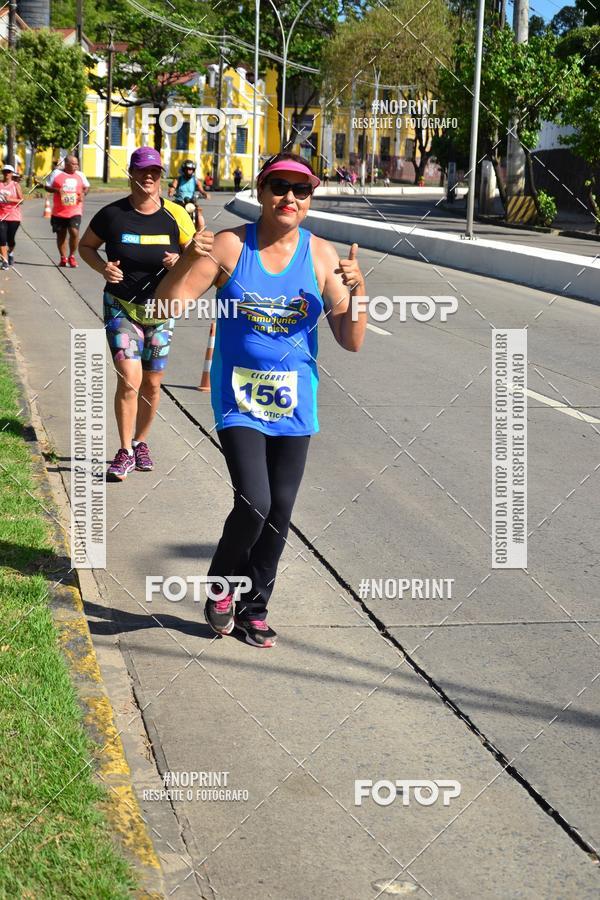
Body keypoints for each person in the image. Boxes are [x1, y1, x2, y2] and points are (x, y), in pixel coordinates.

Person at [156, 152, 367, 648]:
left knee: (281, 511)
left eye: (301, 189)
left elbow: (351, 339)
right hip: (239, 399)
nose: (289, 198)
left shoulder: (321, 255)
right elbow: (167, 305)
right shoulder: (230, 246)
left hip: (296, 400)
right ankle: (222, 587)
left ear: (310, 197)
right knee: (255, 501)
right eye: (278, 187)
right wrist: (190, 256)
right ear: (261, 190)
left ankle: (254, 609)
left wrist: (359, 292)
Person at [79, 146, 195, 481]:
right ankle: (124, 451)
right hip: (121, 308)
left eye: (154, 172)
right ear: (131, 173)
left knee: (153, 383)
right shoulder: (112, 215)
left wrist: (180, 264)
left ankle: (141, 441)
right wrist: (103, 268)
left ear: (161, 176)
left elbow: (196, 259)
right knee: (130, 379)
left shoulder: (175, 215)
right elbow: (85, 246)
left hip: (161, 309)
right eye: (142, 171)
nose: (148, 177)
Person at [43, 154, 89, 267]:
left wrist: (83, 193)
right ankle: (63, 258)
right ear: (66, 164)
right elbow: (47, 186)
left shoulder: (80, 175)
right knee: (61, 235)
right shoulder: (56, 174)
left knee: (74, 232)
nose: (76, 166)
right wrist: (57, 190)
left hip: (75, 210)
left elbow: (86, 187)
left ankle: (72, 256)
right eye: (73, 164)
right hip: (59, 211)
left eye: (77, 164)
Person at [168, 159, 208, 230]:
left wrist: (205, 194)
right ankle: (170, 230)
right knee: (171, 214)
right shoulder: (178, 179)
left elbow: (201, 190)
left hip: (191, 202)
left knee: (199, 215)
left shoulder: (195, 180)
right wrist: (171, 191)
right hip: (180, 202)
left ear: (193, 170)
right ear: (184, 170)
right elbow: (173, 187)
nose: (189, 171)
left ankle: (200, 232)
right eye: (187, 169)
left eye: (191, 169)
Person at [0, 164, 23, 269]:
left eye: (8, 172)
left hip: (13, 216)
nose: (6, 174)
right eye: (4, 171)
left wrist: (10, 199)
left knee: (11, 239)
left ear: (12, 174)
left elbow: (21, 200)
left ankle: (10, 253)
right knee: (2, 238)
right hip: (1, 215)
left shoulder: (15, 185)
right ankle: (5, 261)